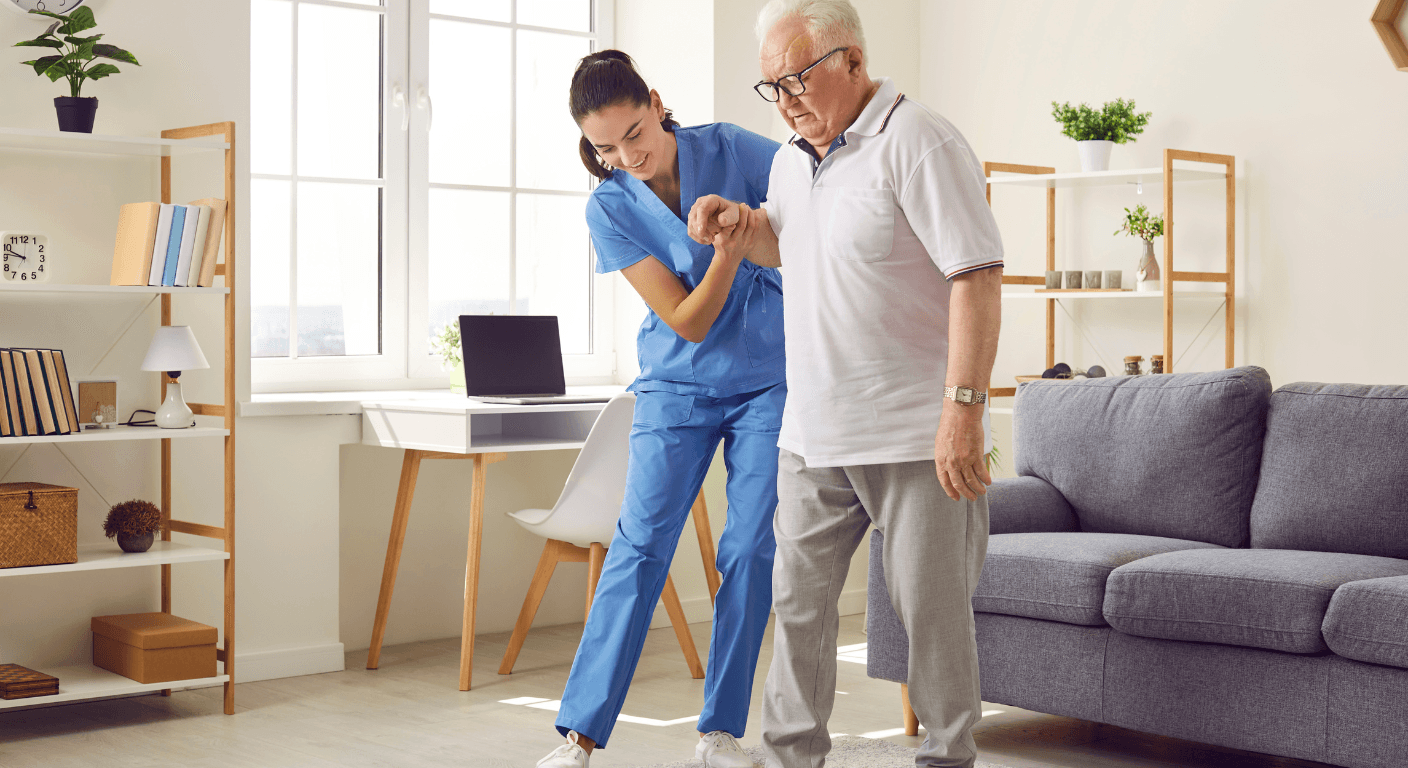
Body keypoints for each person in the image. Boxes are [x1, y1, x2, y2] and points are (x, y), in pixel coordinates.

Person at [688, 1, 1005, 765]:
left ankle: (948, 756)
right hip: (814, 433)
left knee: (931, 618)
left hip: (916, 436)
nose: (787, 100)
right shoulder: (792, 158)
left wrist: (963, 410)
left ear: (853, 63)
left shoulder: (920, 141)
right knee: (796, 610)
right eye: (773, 86)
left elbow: (978, 274)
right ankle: (789, 757)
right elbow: (788, 239)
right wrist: (743, 225)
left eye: (798, 79)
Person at [536, 50, 787, 768]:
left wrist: (751, 226)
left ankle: (720, 732)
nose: (627, 156)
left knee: (749, 548)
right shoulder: (609, 204)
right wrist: (732, 254)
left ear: (656, 101)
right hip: (676, 384)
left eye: (635, 133)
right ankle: (579, 738)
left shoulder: (735, 147)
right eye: (605, 147)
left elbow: (813, 197)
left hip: (770, 378)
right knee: (640, 547)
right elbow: (687, 320)